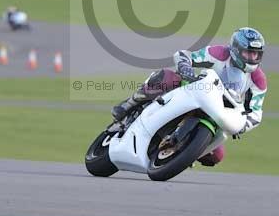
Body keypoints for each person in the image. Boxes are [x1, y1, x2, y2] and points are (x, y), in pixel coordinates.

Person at [110, 27, 267, 167]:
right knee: (168, 77)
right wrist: (186, 68)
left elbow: (256, 113)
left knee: (217, 155)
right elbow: (185, 56)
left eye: (256, 54)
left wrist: (241, 125)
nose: (252, 58)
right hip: (197, 90)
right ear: (235, 49)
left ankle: (182, 153)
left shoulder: (258, 79)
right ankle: (130, 104)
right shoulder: (220, 53)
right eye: (248, 53)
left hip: (220, 110)